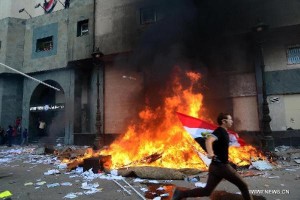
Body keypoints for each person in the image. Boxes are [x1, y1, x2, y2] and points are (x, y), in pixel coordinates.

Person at [172, 113, 253, 200]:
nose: (232, 121)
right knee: (243, 186)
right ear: (224, 121)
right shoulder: (220, 131)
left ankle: (180, 194)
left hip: (215, 167)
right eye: (230, 119)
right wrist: (210, 153)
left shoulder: (224, 132)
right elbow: (209, 140)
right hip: (223, 167)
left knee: (207, 191)